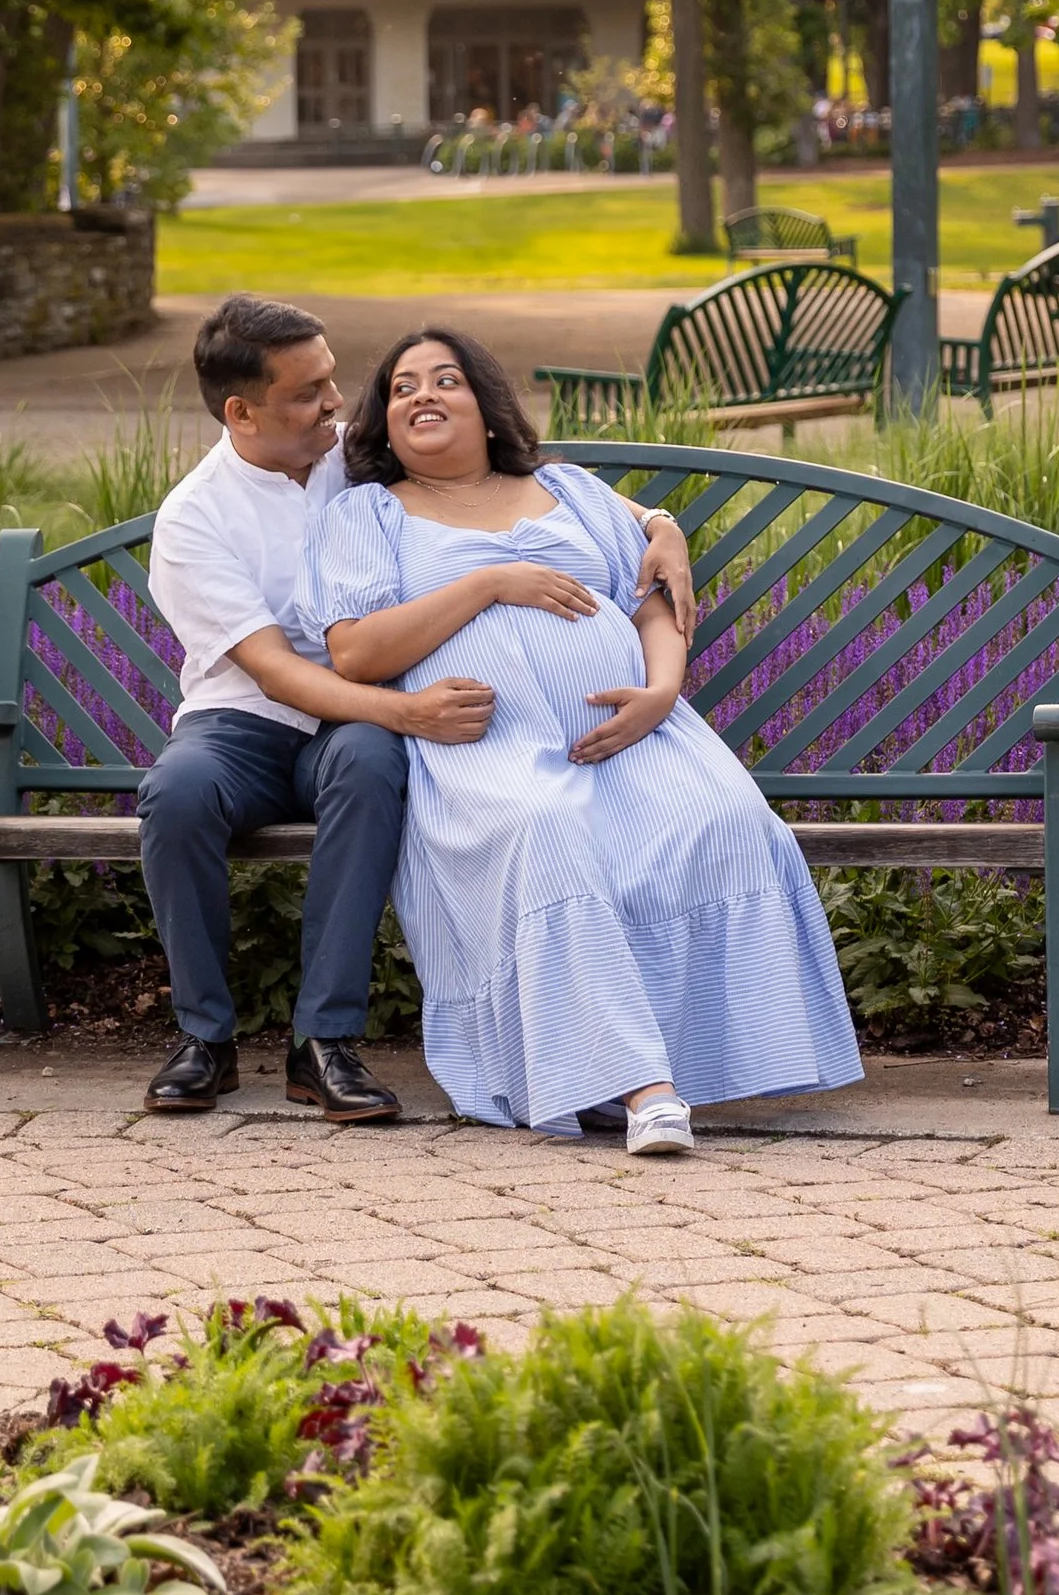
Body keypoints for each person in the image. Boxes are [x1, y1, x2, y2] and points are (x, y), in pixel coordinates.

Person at [137, 295, 696, 1124]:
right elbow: (279, 675)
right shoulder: (195, 519)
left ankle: (323, 1045)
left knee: (365, 765)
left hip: (356, 726)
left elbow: (519, 481)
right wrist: (409, 714)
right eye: (308, 392)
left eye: (333, 381)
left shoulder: (347, 460)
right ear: (240, 412)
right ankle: (204, 1039)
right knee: (176, 795)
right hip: (247, 723)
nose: (335, 403)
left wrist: (659, 523)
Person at [309, 323, 860, 1154]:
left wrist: (660, 692)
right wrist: (489, 584)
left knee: (729, 825)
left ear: (488, 409)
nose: (423, 394)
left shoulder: (568, 491)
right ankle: (646, 1090)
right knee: (549, 835)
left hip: (634, 733)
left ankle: (707, 1062)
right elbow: (356, 651)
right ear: (383, 427)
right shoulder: (369, 513)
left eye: (446, 379)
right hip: (484, 752)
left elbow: (649, 604)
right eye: (402, 388)